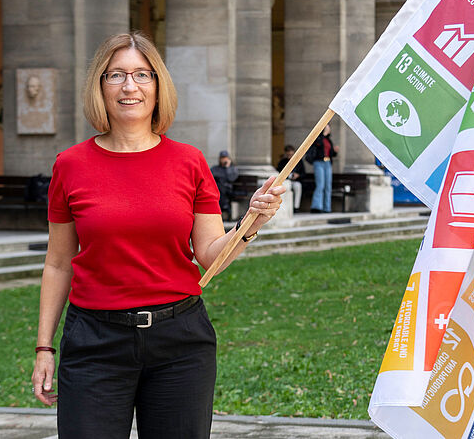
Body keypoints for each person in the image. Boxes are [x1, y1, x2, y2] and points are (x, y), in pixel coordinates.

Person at [30, 32, 284, 439]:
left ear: (158, 86)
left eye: (142, 75)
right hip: (94, 341)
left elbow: (209, 255)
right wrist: (45, 348)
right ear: (100, 86)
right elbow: (58, 262)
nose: (130, 86)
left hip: (179, 342)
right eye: (116, 75)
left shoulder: (189, 162)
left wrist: (250, 223)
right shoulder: (70, 165)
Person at [308, 124, 338, 213]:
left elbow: (331, 153)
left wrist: (335, 151)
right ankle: (316, 207)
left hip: (327, 163)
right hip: (319, 162)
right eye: (327, 127)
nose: (329, 129)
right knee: (320, 184)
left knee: (328, 186)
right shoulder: (318, 138)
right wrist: (323, 134)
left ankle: (327, 208)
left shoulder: (329, 140)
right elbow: (317, 144)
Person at [210, 150, 239, 220]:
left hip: (229, 190)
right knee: (219, 186)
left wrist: (227, 167)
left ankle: (224, 207)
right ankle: (225, 206)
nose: (224, 160)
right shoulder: (215, 168)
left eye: (225, 158)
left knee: (221, 187)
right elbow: (210, 177)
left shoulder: (232, 169)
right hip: (218, 190)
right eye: (222, 158)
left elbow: (231, 178)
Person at [276, 144, 305, 212]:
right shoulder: (282, 162)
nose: (290, 156)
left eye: (291, 154)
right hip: (285, 181)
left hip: (295, 181)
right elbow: (278, 172)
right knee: (285, 186)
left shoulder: (299, 161)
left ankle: (296, 207)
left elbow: (303, 173)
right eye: (288, 155)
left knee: (298, 186)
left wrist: (298, 175)